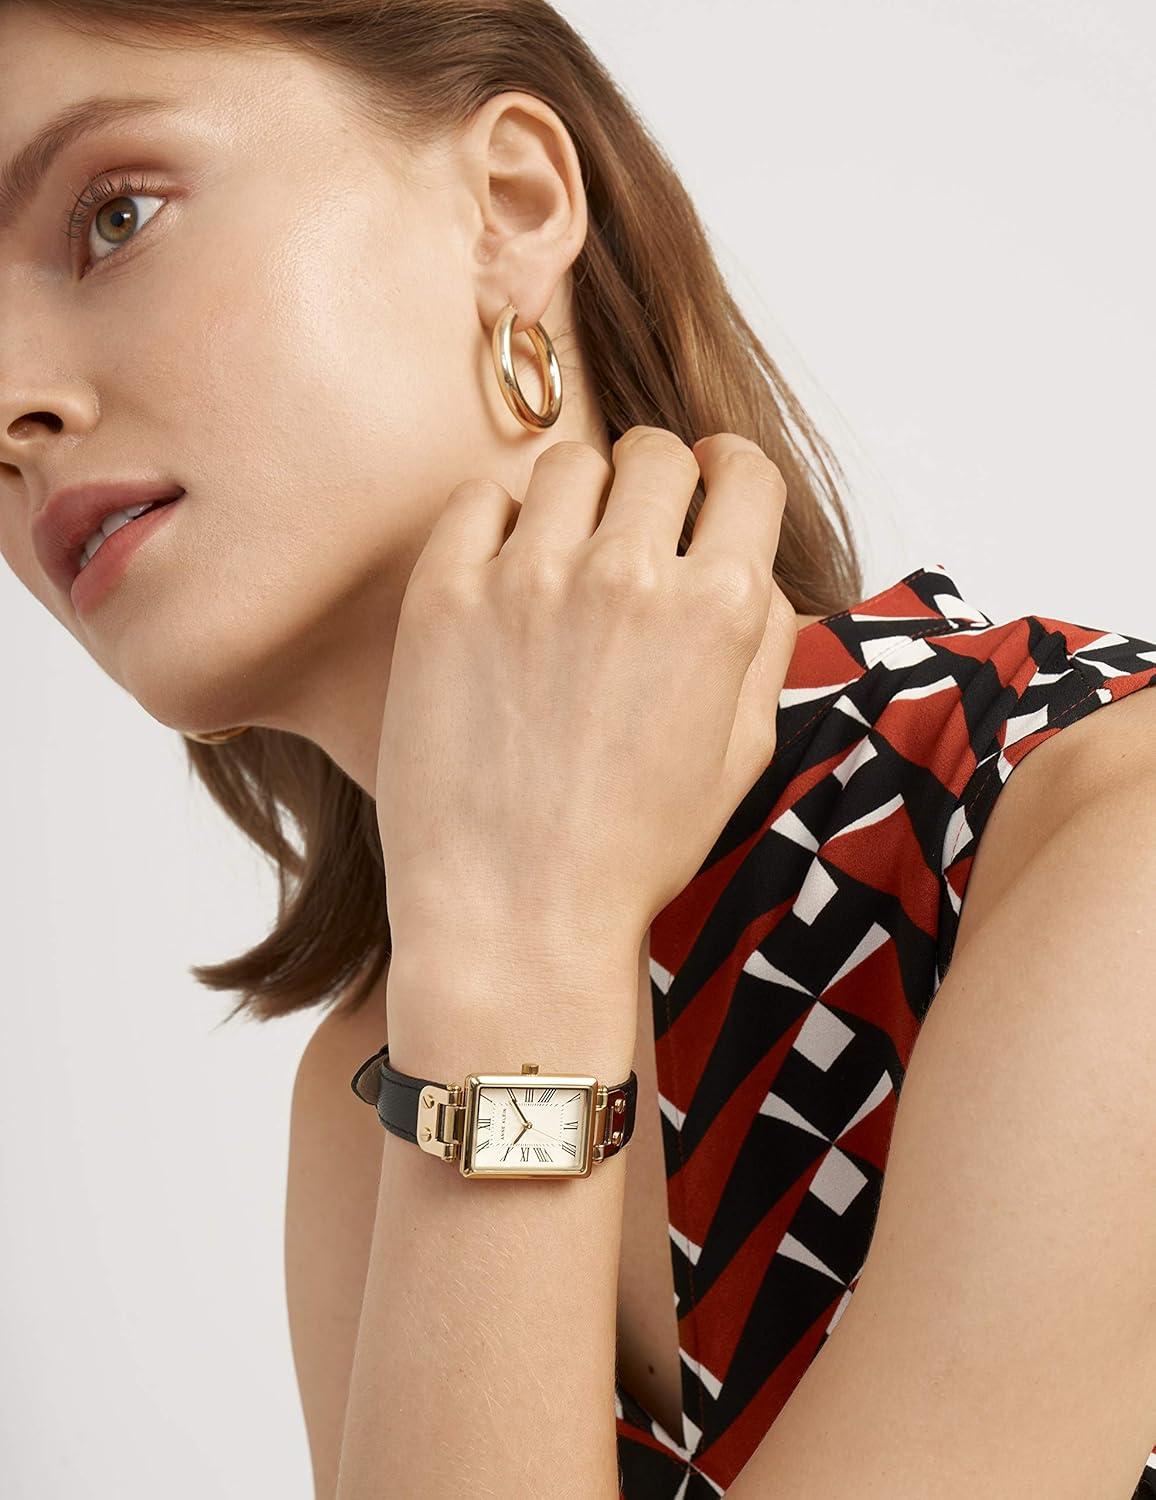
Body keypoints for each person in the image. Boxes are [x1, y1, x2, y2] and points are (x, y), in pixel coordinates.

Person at [2, 4, 1154, 1498]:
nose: (11, 401)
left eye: (114, 215)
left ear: (510, 205)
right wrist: (510, 963)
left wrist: (520, 967)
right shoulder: (375, 1093)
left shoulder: (1106, 842)